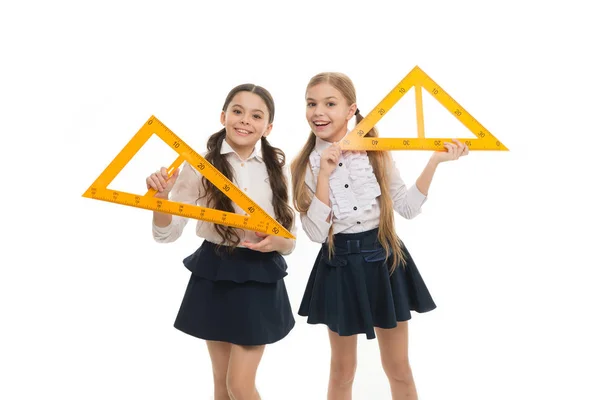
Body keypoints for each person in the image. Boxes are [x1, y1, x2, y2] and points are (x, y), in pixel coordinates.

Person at [290, 72, 468, 399]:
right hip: (338, 263)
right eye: (311, 103)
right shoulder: (305, 164)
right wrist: (325, 176)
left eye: (330, 103)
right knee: (342, 371)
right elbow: (315, 233)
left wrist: (435, 162)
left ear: (351, 110)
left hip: (384, 260)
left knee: (398, 366)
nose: (318, 111)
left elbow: (407, 208)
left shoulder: (376, 153)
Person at [147, 83, 296, 400]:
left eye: (256, 116)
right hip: (214, 270)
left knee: (239, 387)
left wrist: (276, 243)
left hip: (259, 275)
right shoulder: (200, 167)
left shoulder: (278, 170)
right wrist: (160, 200)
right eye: (238, 111)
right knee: (221, 385)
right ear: (223, 116)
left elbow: (289, 241)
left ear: (268, 127)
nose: (245, 120)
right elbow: (167, 233)